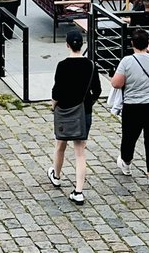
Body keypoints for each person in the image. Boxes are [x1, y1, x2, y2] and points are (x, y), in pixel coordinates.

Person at [110, 28, 149, 193]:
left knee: (129, 137)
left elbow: (116, 83)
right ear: (148, 43)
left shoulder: (127, 61)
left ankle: (126, 162)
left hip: (133, 106)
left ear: (132, 44)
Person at [47, 29, 103, 204]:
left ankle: (56, 175)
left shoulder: (62, 66)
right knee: (80, 152)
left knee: (60, 145)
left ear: (67, 45)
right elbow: (98, 90)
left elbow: (57, 91)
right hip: (83, 111)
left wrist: (53, 105)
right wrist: (88, 104)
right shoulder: (90, 65)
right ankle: (78, 191)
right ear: (82, 44)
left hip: (64, 111)